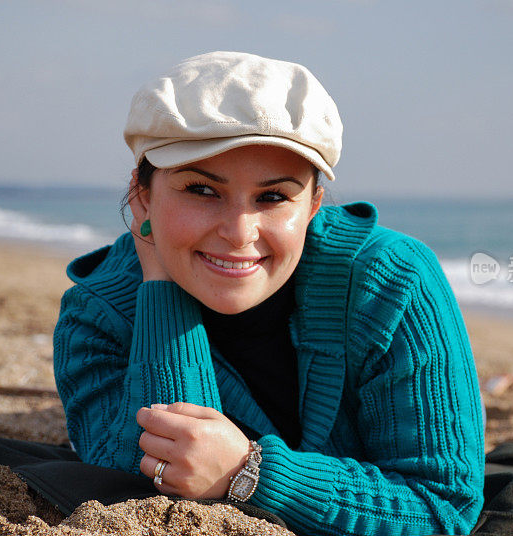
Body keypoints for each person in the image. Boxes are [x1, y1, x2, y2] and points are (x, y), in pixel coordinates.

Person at [52, 51, 485, 535]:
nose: (240, 233)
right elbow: (150, 501)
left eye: (274, 196)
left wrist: (249, 472)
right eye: (202, 190)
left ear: (314, 204)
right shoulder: (98, 316)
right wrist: (159, 290)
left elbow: (444, 508)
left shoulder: (392, 284)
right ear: (142, 195)